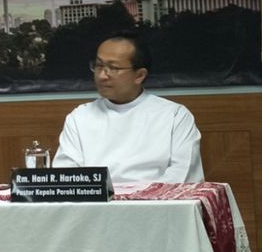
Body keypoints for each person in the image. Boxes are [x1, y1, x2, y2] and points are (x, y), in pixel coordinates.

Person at [52, 30, 204, 183]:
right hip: (96, 204)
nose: (102, 75)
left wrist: (137, 201)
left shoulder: (175, 116)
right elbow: (66, 175)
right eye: (98, 66)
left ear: (139, 75)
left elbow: (183, 174)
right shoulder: (80, 117)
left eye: (114, 68)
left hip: (156, 204)